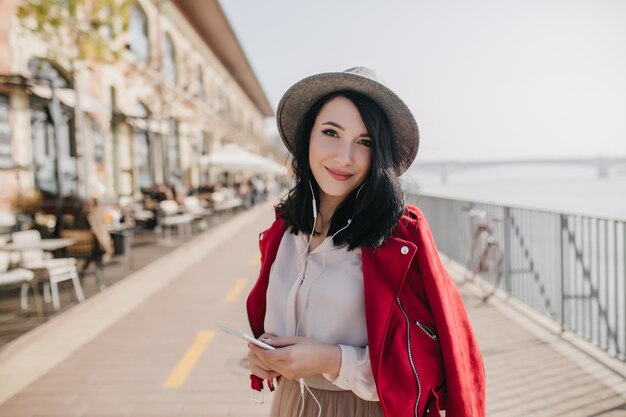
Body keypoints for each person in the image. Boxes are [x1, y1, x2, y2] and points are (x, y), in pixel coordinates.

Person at [246, 67, 485, 417]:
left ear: (380, 154)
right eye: (331, 132)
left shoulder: (400, 237)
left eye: (365, 142)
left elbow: (431, 365)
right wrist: (263, 357)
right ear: (307, 137)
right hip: (290, 404)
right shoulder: (285, 229)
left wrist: (331, 359)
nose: (345, 157)